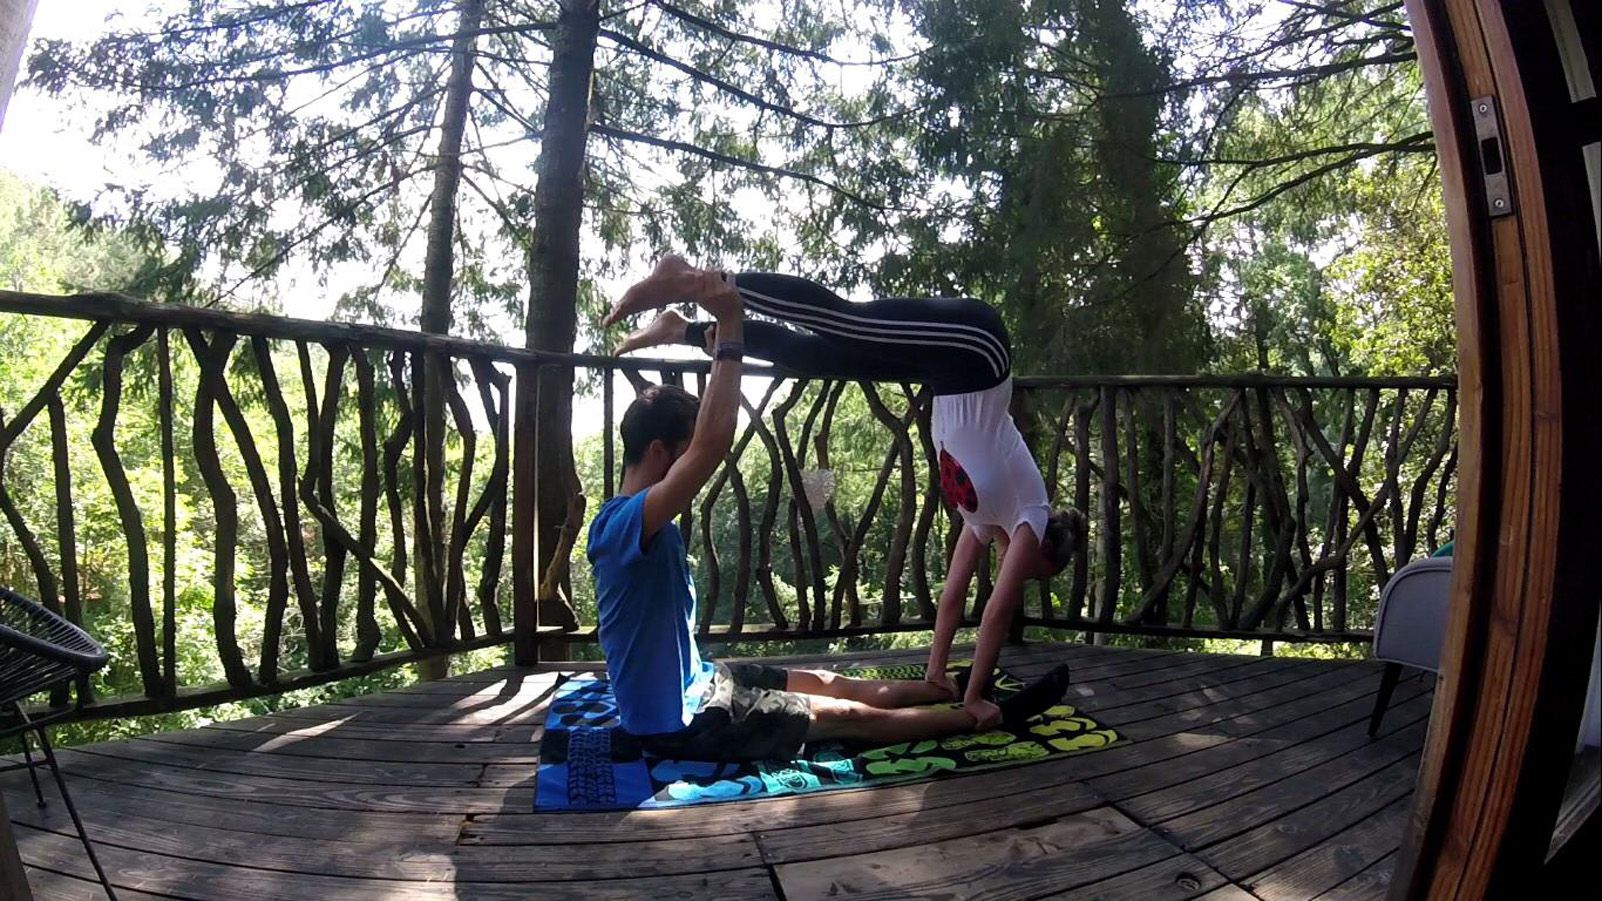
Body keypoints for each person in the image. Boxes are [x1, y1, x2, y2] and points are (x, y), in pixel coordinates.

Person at [589, 260, 1072, 763]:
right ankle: (978, 716)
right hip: (679, 724)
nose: (692, 462)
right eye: (683, 452)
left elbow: (704, 444)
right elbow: (711, 445)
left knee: (828, 681)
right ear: (660, 452)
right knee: (849, 715)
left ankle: (940, 689)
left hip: (699, 681)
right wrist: (729, 321)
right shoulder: (623, 525)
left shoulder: (638, 522)